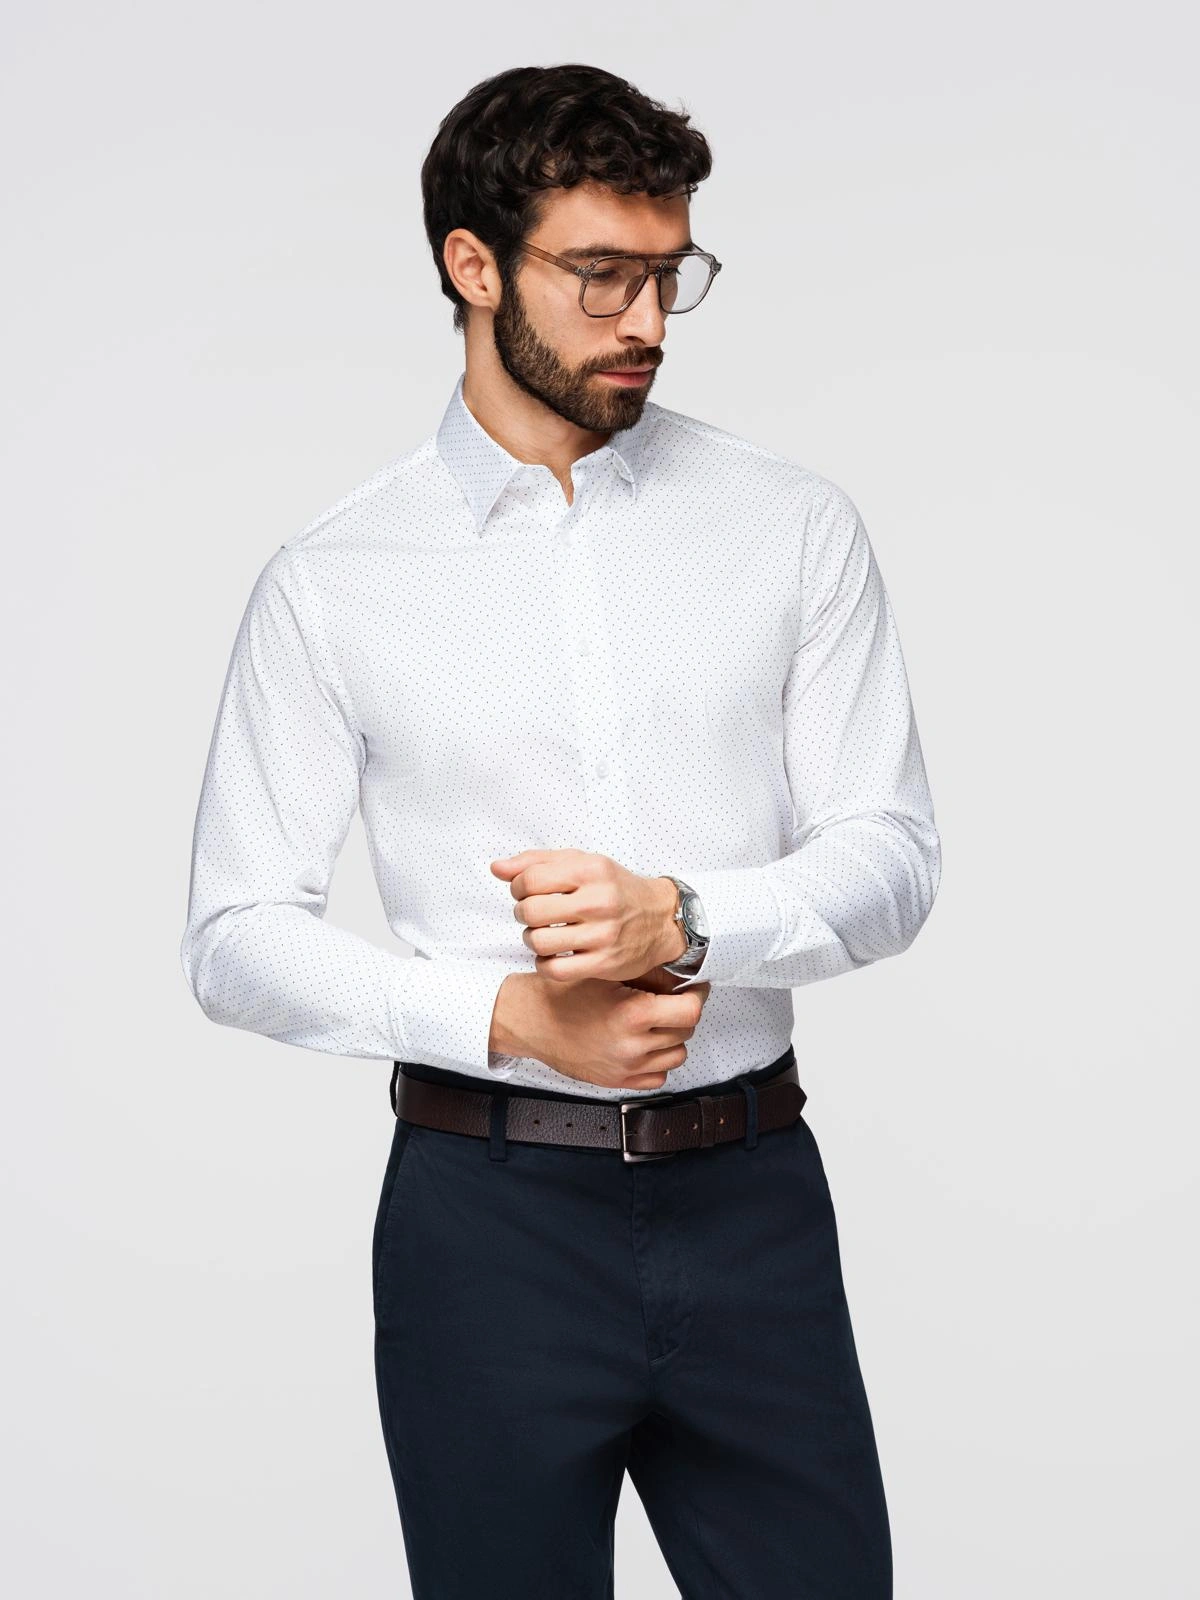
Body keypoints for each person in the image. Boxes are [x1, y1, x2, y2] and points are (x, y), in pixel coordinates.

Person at [179, 61, 941, 1600]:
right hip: (486, 1228)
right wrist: (509, 1020)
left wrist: (688, 919)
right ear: (473, 265)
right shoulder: (334, 580)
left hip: (753, 1203)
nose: (645, 320)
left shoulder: (789, 526)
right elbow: (234, 938)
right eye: (600, 275)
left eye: (669, 275)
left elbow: (893, 856)